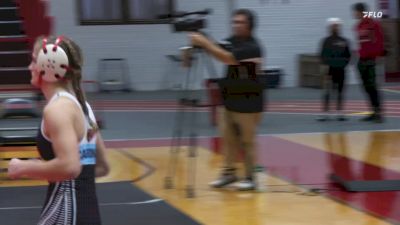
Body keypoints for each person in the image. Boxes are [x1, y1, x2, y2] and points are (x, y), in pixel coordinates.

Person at [8, 35, 109, 225]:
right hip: (88, 213)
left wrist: (23, 167)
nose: (30, 67)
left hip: (66, 214)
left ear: (48, 65)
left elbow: (70, 167)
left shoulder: (57, 109)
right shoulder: (84, 108)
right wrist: (51, 169)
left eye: (33, 61)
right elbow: (101, 166)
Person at [186, 9, 264, 191]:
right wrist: (195, 43)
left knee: (247, 141)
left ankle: (250, 177)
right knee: (228, 140)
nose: (236, 25)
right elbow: (217, 46)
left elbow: (227, 58)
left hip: (249, 101)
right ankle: (229, 173)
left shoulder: (253, 46)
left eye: (241, 22)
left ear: (250, 26)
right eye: (234, 22)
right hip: (229, 98)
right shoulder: (232, 41)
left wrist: (204, 43)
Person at [353, 2, 385, 123]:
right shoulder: (358, 26)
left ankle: (379, 113)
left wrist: (376, 56)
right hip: (362, 60)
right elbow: (362, 43)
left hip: (370, 60)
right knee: (366, 87)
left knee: (373, 87)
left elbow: (379, 41)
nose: (354, 14)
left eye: (355, 12)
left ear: (361, 11)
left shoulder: (373, 24)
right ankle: (373, 111)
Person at [317, 18, 351, 121]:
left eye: (337, 25)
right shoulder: (326, 41)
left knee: (340, 91)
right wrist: (325, 67)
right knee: (327, 91)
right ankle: (325, 113)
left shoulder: (344, 41)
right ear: (330, 27)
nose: (335, 27)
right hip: (329, 70)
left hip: (341, 70)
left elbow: (348, 55)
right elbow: (322, 55)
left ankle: (339, 112)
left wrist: (343, 64)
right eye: (333, 26)